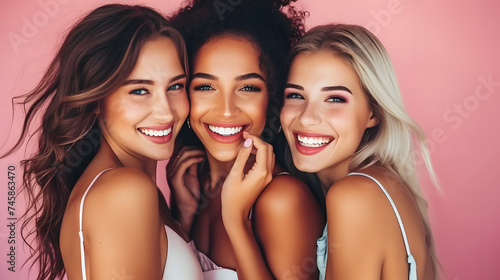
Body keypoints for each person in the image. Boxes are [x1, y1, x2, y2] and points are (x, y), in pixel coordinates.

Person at [2, 4, 204, 280]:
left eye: (175, 86)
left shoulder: (130, 188)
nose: (166, 111)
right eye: (140, 90)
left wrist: (183, 219)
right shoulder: (125, 191)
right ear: (97, 100)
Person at [166, 0, 324, 279]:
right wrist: (183, 219)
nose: (226, 109)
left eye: (248, 87)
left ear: (272, 98)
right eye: (205, 86)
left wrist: (236, 222)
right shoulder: (195, 183)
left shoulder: (282, 200)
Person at [279, 23, 441, 279]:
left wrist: (237, 224)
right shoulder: (380, 184)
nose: (307, 118)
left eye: (334, 99)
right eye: (296, 95)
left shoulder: (355, 196)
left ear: (373, 113)